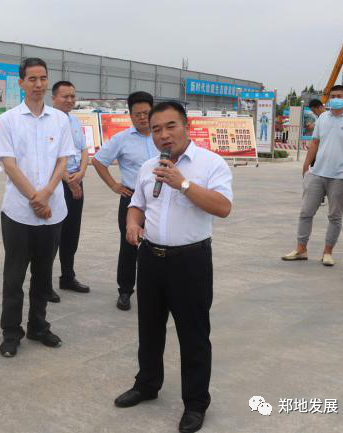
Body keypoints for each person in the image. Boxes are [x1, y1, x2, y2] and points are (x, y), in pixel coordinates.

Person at [113, 101, 232, 433]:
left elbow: (223, 207)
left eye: (170, 126)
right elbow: (137, 204)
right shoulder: (148, 166)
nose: (163, 135)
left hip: (190, 262)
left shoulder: (211, 163)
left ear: (186, 126)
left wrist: (183, 184)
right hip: (151, 258)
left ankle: (195, 403)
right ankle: (147, 384)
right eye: (156, 129)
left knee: (193, 335)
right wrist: (132, 224)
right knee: (149, 329)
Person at [0, 58, 74, 358]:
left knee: (43, 274)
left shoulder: (60, 119)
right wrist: (35, 198)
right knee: (14, 276)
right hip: (18, 212)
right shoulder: (8, 120)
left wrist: (48, 192)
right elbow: (9, 164)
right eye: (32, 79)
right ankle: (11, 331)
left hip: (53, 211)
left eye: (43, 78)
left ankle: (38, 326)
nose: (38, 84)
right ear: (21, 83)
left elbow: (63, 159)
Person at [92, 91, 156, 311]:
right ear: (130, 115)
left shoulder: (162, 135)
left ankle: (155, 289)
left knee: (158, 244)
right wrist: (113, 184)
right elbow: (98, 161)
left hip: (160, 200)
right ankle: (125, 291)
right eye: (137, 114)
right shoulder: (122, 139)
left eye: (146, 113)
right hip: (132, 200)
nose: (142, 117)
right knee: (129, 245)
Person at [282, 85, 343, 266]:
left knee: (335, 217)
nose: (335, 99)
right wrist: (306, 164)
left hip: (340, 176)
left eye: (339, 96)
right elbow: (315, 143)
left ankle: (327, 252)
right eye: (332, 96)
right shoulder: (323, 117)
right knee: (306, 212)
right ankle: (301, 249)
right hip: (317, 173)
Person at [48, 80, 90, 302]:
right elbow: (51, 156)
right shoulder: (48, 121)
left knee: (72, 232)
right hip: (57, 182)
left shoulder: (74, 120)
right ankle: (44, 283)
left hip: (76, 179)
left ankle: (67, 276)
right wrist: (68, 180)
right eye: (65, 96)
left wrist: (81, 173)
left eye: (73, 96)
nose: (70, 100)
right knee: (54, 234)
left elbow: (83, 150)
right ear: (54, 98)